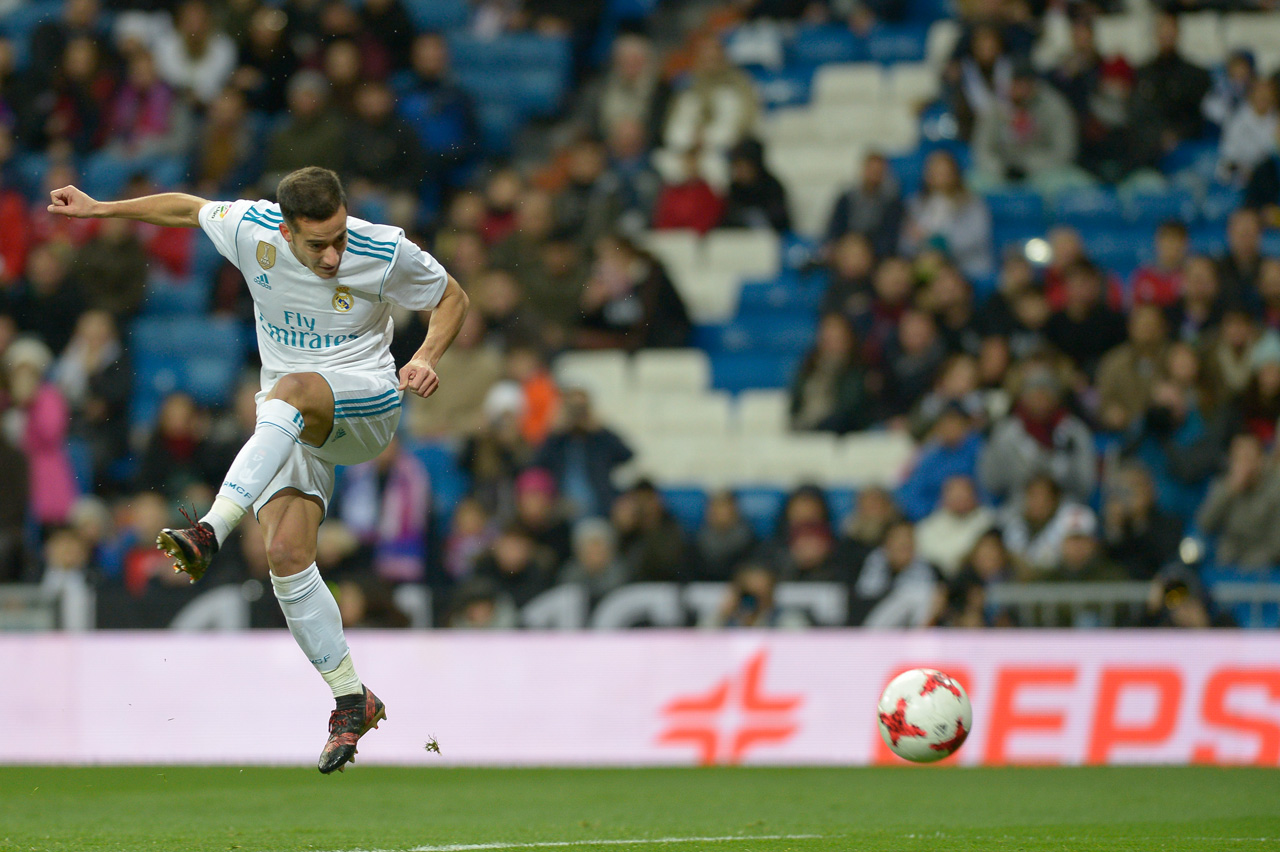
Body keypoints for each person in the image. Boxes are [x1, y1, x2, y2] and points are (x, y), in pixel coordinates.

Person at [47, 166, 469, 773]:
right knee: (286, 556)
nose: (331, 256)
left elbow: (452, 297)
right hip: (287, 421)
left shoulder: (382, 248)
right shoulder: (251, 228)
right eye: (316, 244)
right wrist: (100, 210)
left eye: (338, 238)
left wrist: (426, 356)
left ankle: (210, 529)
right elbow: (187, 209)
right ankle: (352, 697)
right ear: (285, 228)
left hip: (366, 402)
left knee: (288, 389)